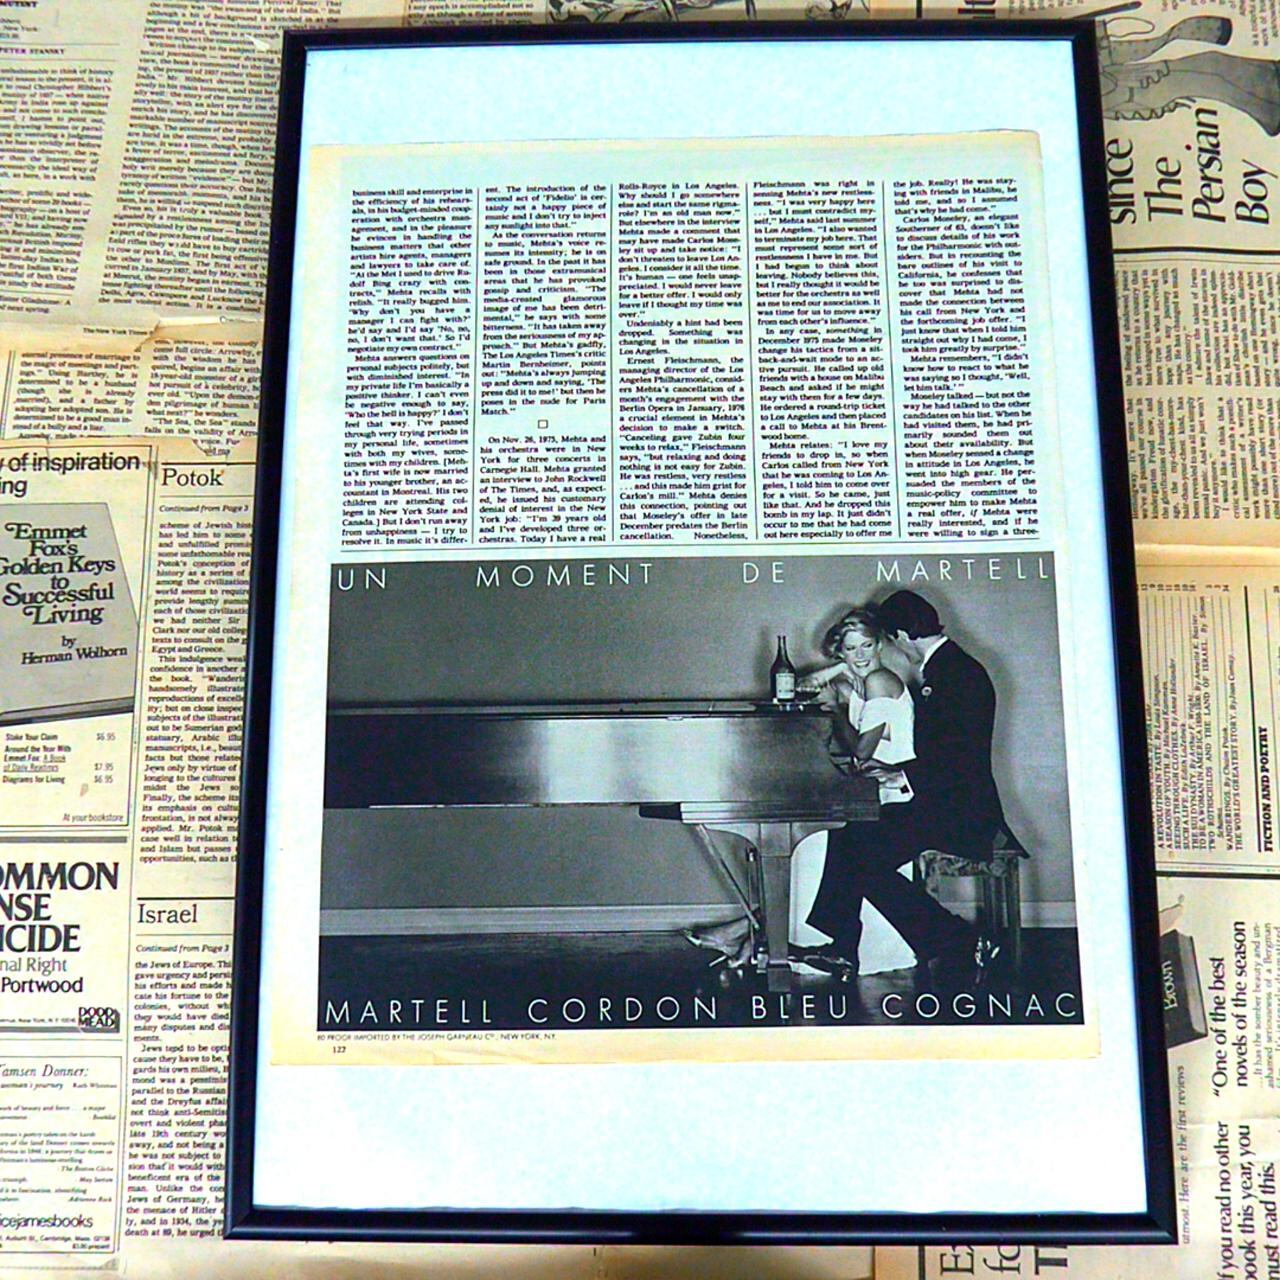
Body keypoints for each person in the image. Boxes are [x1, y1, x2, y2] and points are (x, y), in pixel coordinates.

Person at [799, 589, 1004, 982]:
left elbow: (962, 755)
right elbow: (944, 749)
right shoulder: (948, 667)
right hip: (940, 799)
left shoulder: (954, 674)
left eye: (887, 640)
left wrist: (903, 775)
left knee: (859, 855)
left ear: (901, 636)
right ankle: (844, 948)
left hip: (961, 811)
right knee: (850, 839)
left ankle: (957, 938)